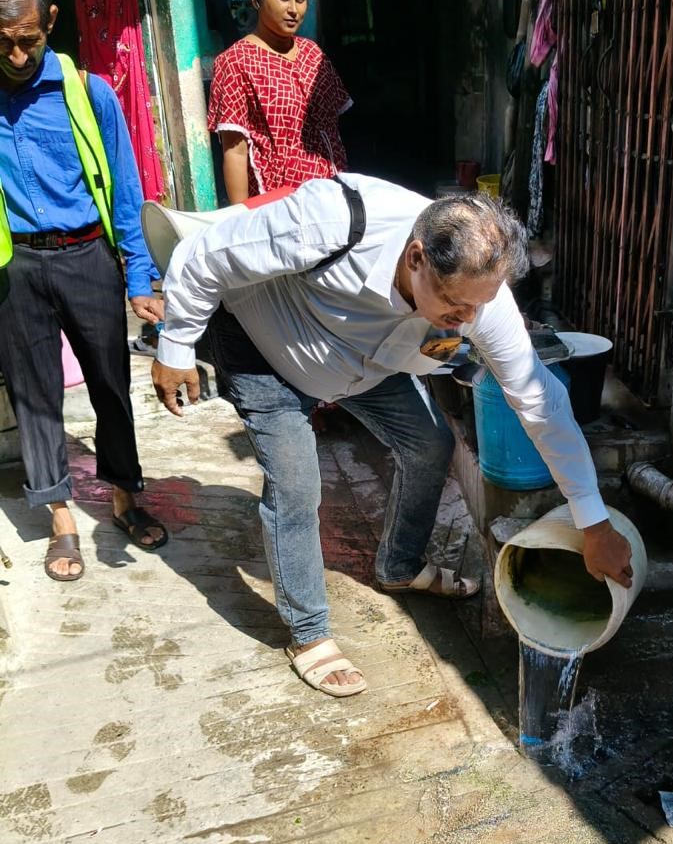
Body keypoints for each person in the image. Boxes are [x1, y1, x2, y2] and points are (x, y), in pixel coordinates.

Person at [150, 174, 633, 698]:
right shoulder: (333, 220)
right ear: (416, 257)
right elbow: (203, 255)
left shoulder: (478, 301)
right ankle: (308, 631)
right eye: (454, 305)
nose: (466, 322)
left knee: (430, 444)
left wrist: (594, 523)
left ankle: (400, 567)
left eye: (478, 307)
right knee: (296, 486)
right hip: (267, 348)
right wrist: (176, 347)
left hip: (367, 365)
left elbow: (541, 403)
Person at [0, 0, 168, 581]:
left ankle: (124, 495)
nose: (17, 56)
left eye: (28, 39)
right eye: (2, 43)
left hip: (87, 255)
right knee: (34, 394)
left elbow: (125, 190)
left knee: (110, 383)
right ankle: (60, 518)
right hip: (15, 267)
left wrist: (140, 276)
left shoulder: (89, 93)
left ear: (50, 20)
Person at [207, 0, 351, 204]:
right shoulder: (236, 62)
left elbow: (333, 132)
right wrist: (243, 218)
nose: (293, 10)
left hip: (330, 198)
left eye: (301, 0)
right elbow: (235, 152)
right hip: (277, 206)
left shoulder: (313, 54)